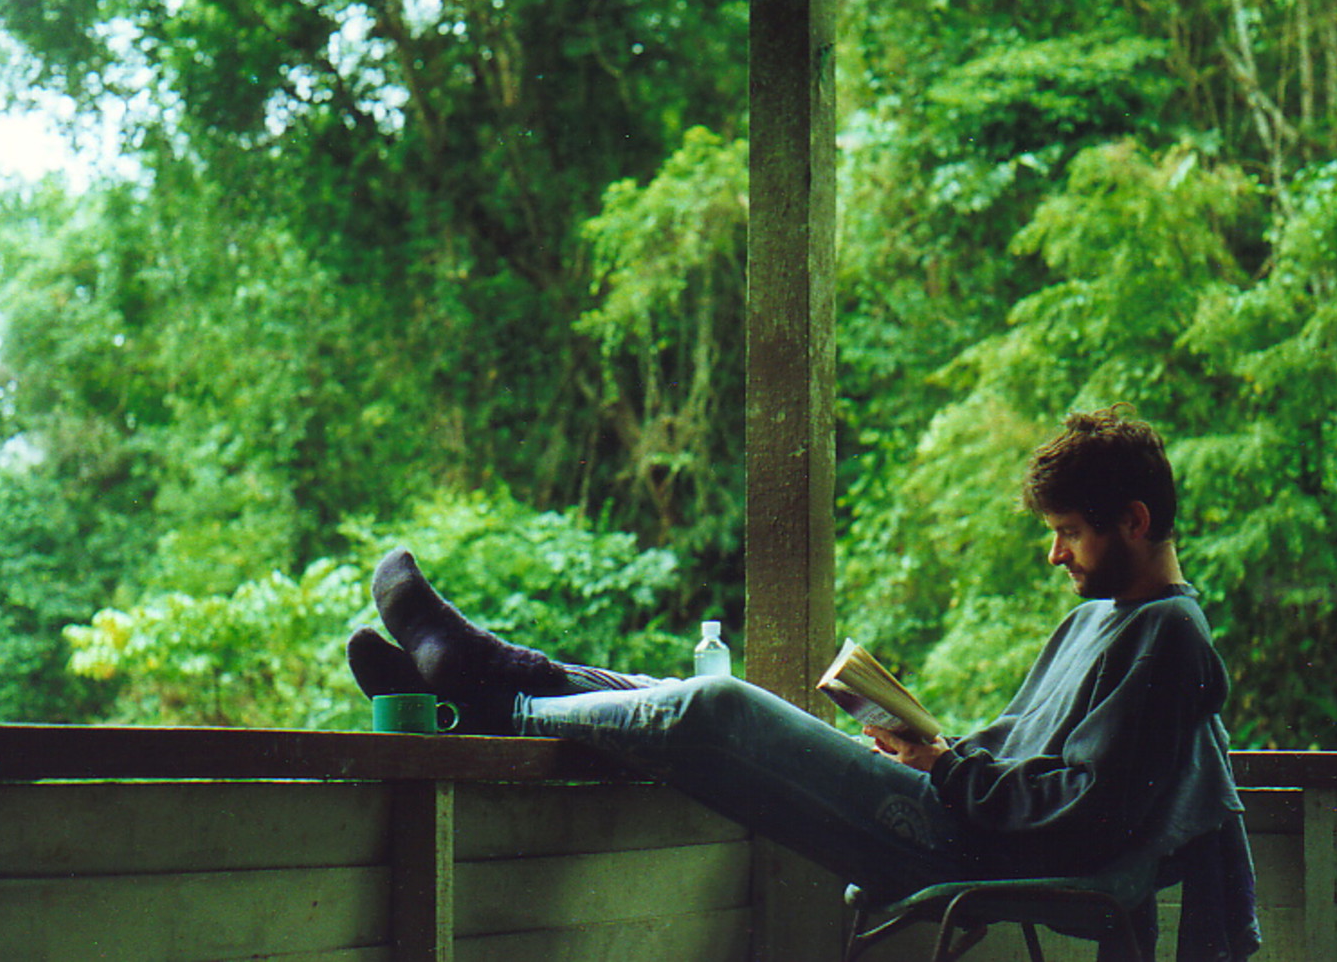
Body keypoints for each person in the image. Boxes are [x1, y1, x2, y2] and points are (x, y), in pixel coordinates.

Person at [346, 407, 1259, 958]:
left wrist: (944, 766)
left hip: (971, 848)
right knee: (693, 693)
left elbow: (1086, 813)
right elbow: (1027, 750)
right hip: (954, 807)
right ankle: (497, 682)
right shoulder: (1105, 617)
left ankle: (495, 694)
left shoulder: (1169, 638)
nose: (1056, 553)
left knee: (718, 707)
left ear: (1134, 521)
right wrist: (927, 743)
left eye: (1070, 532)